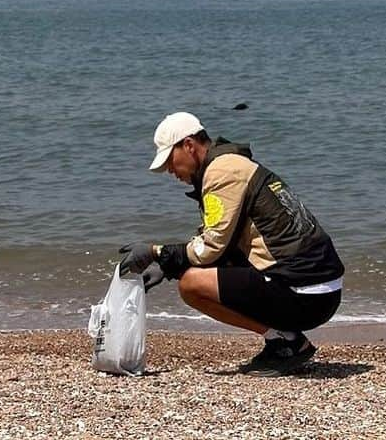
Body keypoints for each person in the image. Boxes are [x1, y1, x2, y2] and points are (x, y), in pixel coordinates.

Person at [120, 112, 344, 376]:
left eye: (170, 160)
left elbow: (211, 248)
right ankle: (282, 340)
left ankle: (286, 342)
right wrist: (168, 265)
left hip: (307, 295)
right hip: (318, 287)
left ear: (189, 146)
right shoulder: (229, 164)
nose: (170, 170)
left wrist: (157, 252)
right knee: (199, 270)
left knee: (192, 285)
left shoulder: (221, 172)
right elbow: (219, 243)